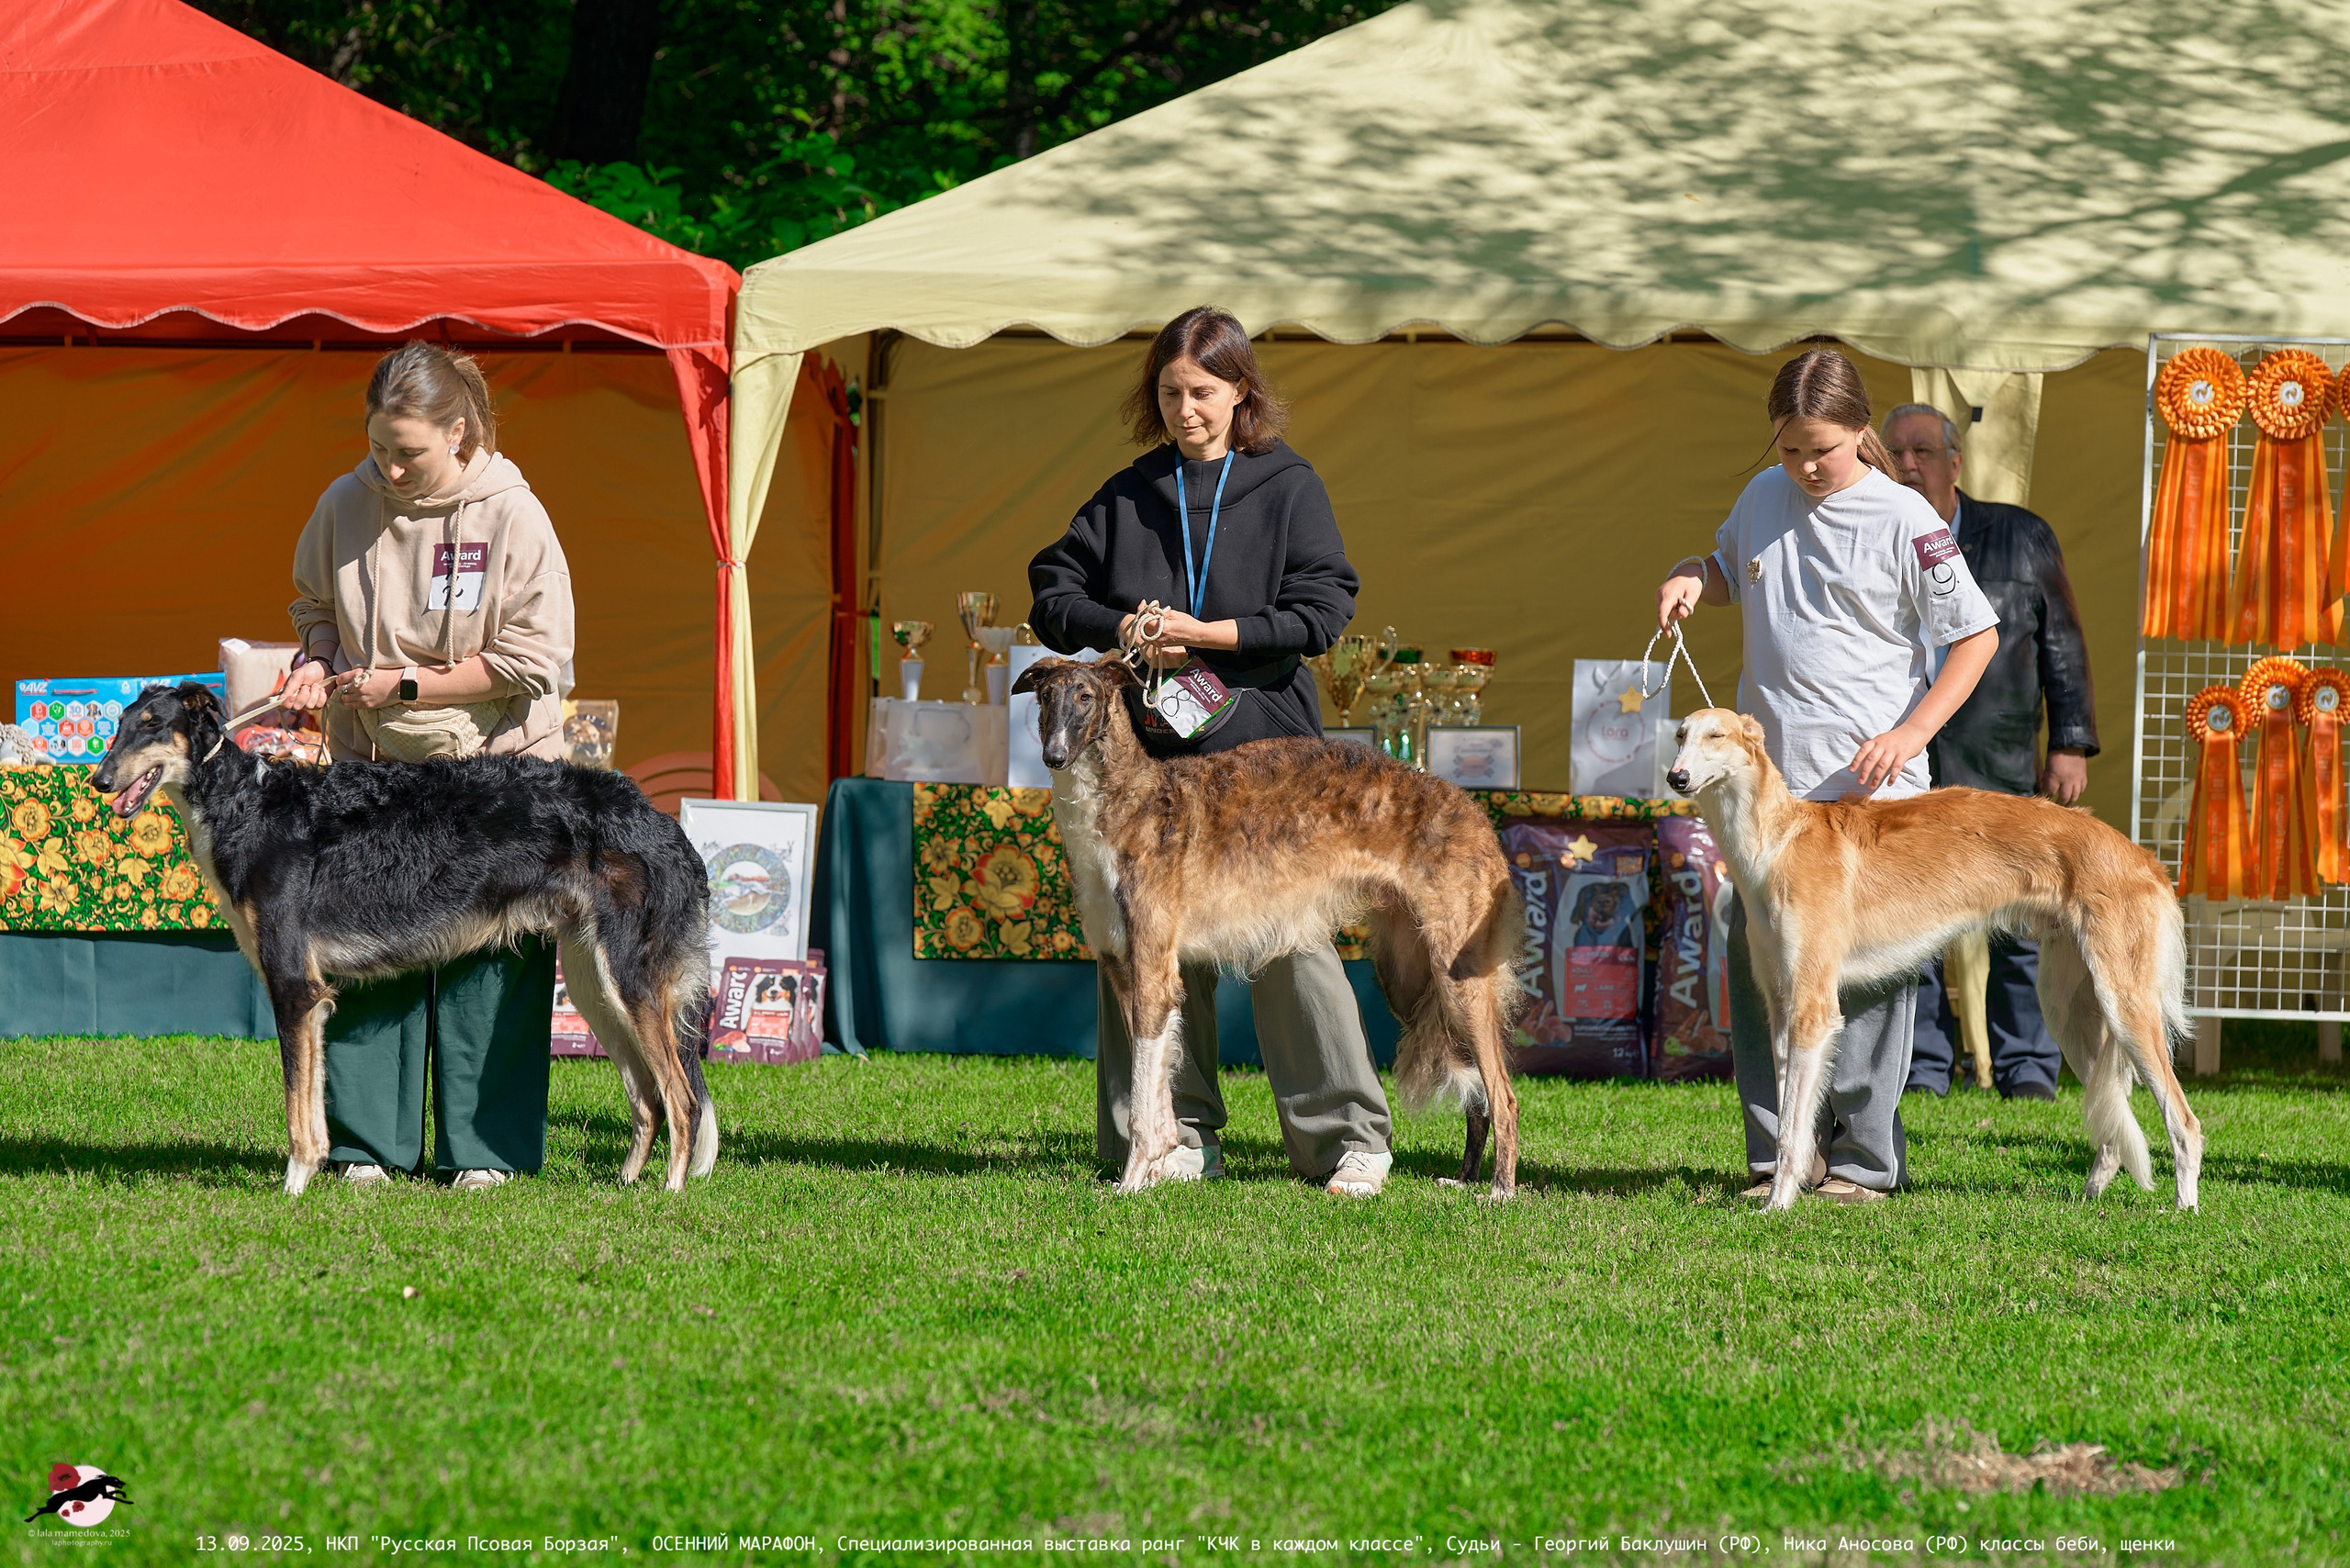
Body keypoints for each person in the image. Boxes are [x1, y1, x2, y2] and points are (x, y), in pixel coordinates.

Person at [1027, 305, 1392, 1196]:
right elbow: (1050, 589)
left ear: (1240, 392)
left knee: (1286, 942)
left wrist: (1208, 634)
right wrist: (1124, 624)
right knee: (1145, 942)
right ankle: (1168, 1131)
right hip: (1150, 769)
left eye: (1203, 392)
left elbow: (1322, 612)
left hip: (1267, 761)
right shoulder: (1127, 494)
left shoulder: (1288, 485)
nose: (1186, 409)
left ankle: (1346, 1138)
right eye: (1170, 392)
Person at [1656, 350, 2000, 1204]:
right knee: (1762, 968)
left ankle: (1862, 1164)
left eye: (1823, 449)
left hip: (1868, 793)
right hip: (1770, 798)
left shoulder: (1906, 517)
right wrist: (1692, 576)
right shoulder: (1761, 497)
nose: (1806, 467)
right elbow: (1729, 567)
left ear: (1860, 431)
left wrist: (1912, 729)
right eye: (1789, 450)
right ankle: (1782, 1157)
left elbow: (1976, 636)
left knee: (1874, 979)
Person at [280, 341, 576, 1190]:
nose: (391, 468)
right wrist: (317, 653)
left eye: (407, 452)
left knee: (493, 956)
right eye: (378, 447)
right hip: (373, 766)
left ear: (460, 435)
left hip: (495, 766)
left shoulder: (515, 514)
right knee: (367, 941)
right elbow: (314, 603)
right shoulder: (345, 501)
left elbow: (534, 658)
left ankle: (486, 1153)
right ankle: (366, 1146)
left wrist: (405, 682)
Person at [1882, 403, 2098, 1102]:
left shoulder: (2019, 535)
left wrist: (2068, 742)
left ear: (1955, 461)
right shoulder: (1873, 533)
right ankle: (1920, 1067)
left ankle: (2028, 1068)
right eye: (1896, 453)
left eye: (1922, 451)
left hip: (1998, 753)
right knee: (1906, 917)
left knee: (2017, 917)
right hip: (1904, 760)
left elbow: (2061, 643)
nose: (1908, 464)